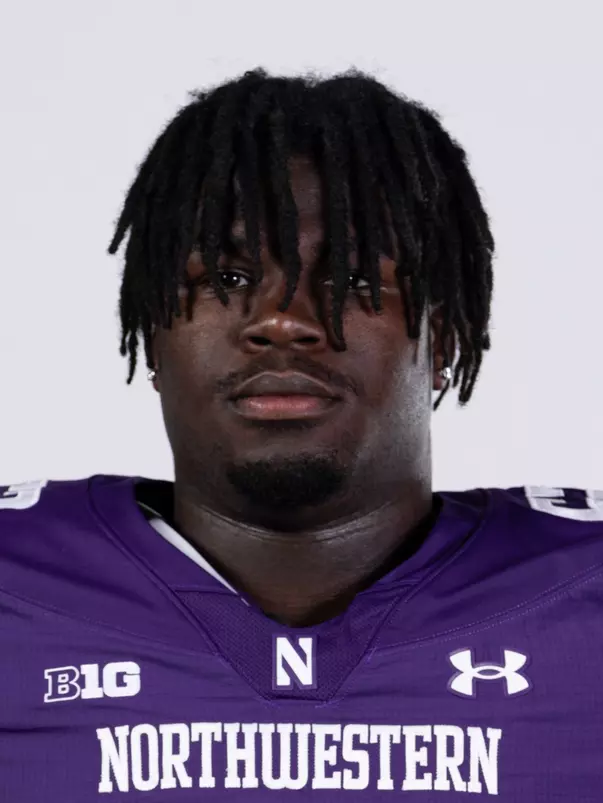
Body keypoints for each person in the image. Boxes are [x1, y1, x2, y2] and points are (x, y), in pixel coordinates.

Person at [1, 69, 601, 802]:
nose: (282, 321)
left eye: (352, 283)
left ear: (444, 337)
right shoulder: (16, 585)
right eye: (224, 277)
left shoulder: (582, 593)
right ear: (152, 334)